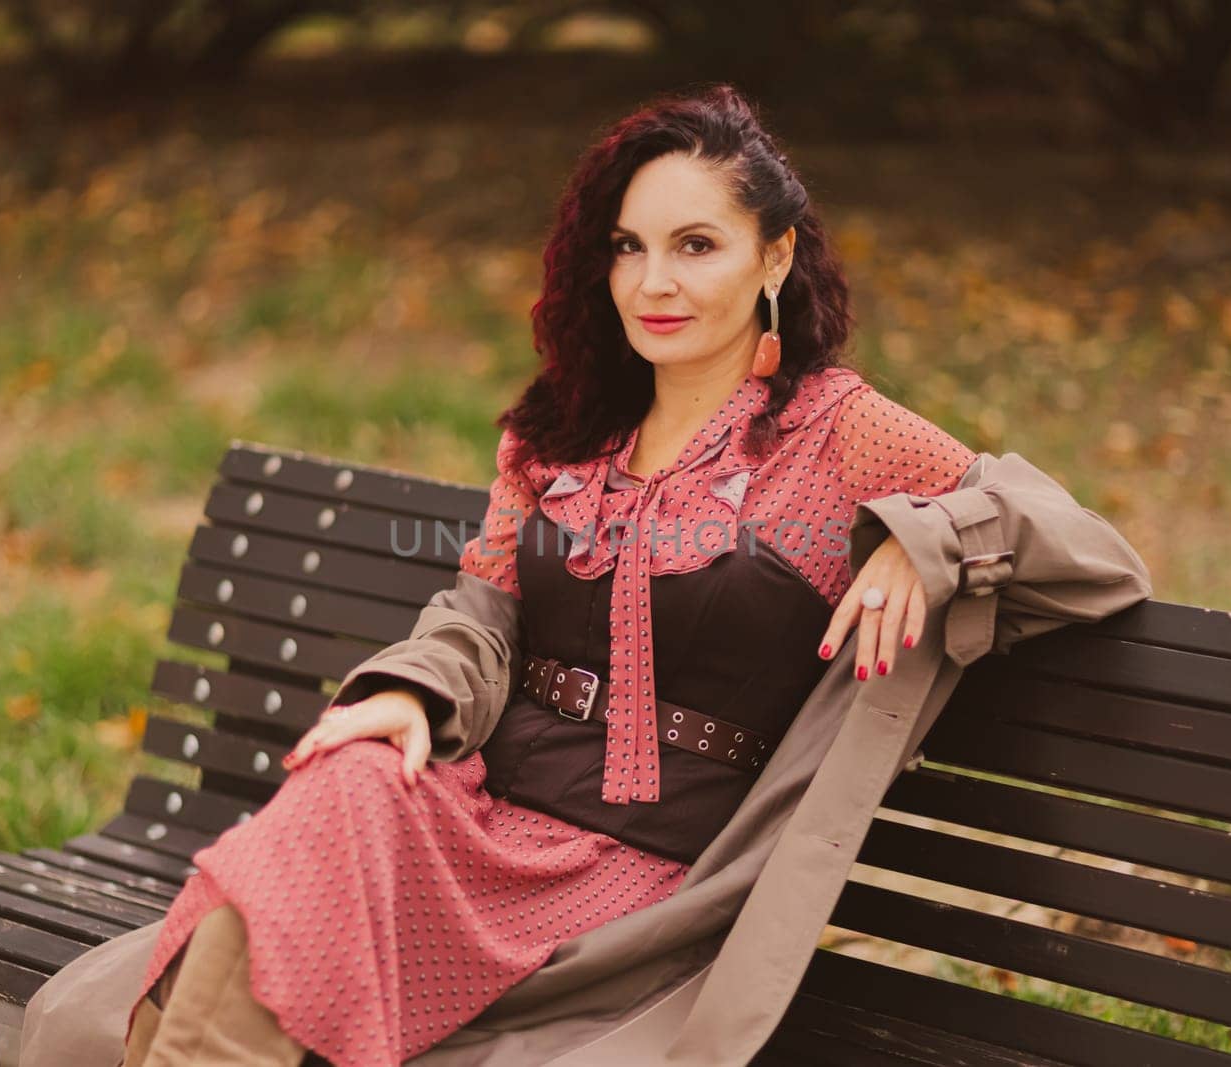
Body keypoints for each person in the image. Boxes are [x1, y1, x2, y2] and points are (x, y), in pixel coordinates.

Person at [87, 83, 1144, 1066]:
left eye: (695, 245)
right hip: (484, 819)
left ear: (773, 259)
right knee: (339, 796)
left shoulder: (840, 432)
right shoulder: (564, 428)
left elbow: (1093, 553)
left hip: (643, 878)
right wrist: (411, 691)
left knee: (267, 922)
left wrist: (936, 541)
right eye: (628, 247)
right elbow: (482, 610)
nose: (653, 283)